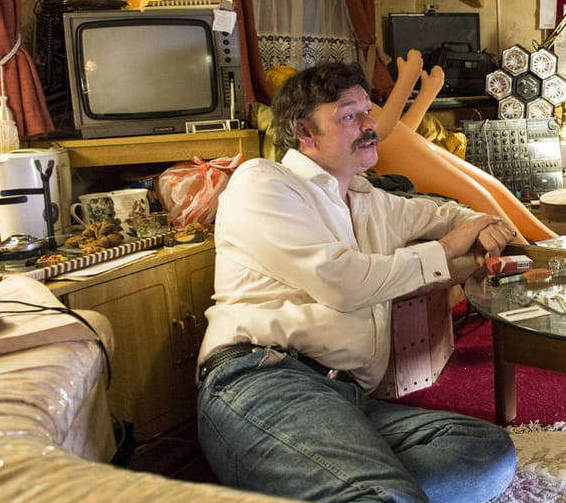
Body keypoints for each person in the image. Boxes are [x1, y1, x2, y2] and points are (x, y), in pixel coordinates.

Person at [195, 62, 517, 502]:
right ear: (304, 132)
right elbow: (343, 284)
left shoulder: (369, 199)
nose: (370, 125)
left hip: (347, 398)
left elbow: (446, 214)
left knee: (485, 450)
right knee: (382, 493)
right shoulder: (263, 183)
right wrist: (446, 250)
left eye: (367, 111)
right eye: (349, 115)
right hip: (264, 380)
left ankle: (339, 485)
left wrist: (483, 227)